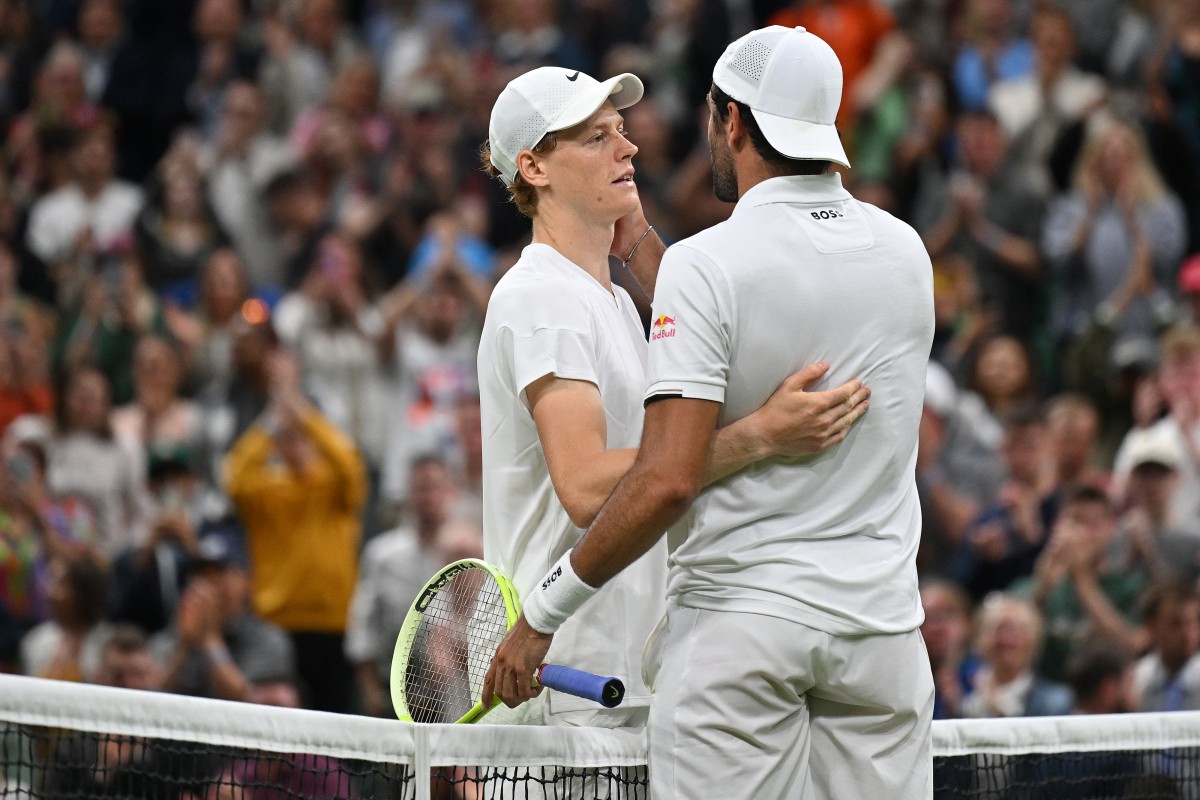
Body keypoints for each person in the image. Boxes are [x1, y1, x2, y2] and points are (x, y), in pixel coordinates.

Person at [485, 27, 933, 799]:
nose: (628, 148)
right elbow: (594, 488)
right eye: (597, 137)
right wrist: (757, 436)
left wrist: (651, 255)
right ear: (533, 166)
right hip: (571, 693)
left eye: (622, 130)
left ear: (732, 122)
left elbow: (717, 318)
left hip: (661, 664)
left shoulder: (636, 294)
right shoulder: (905, 249)